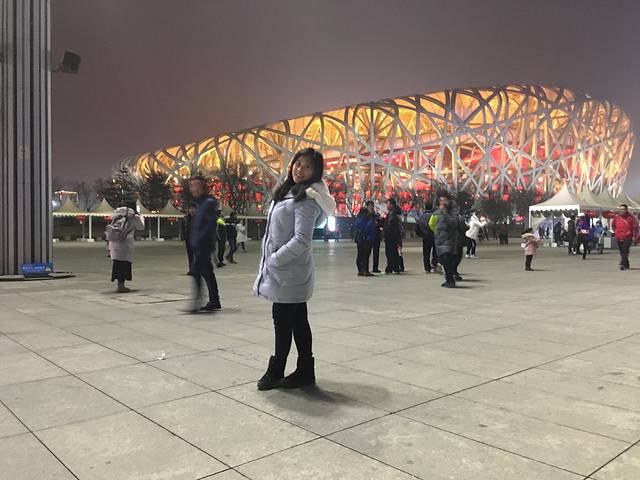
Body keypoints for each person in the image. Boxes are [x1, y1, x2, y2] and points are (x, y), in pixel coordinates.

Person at [254, 148, 336, 390]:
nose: (300, 170)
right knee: (299, 321)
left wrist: (274, 260)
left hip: (288, 273)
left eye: (307, 166)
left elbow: (302, 240)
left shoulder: (306, 199)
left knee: (282, 323)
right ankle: (305, 371)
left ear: (316, 172)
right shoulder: (288, 193)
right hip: (288, 273)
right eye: (298, 164)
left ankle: (276, 370)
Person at [188, 176, 222, 312]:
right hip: (199, 243)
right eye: (191, 185)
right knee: (207, 272)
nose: (192, 188)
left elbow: (210, 224)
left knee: (195, 270)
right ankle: (215, 301)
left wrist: (201, 239)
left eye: (194, 185)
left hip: (204, 243)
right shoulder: (200, 204)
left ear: (201, 186)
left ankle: (197, 301)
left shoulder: (208, 203)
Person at [107, 202, 145, 293]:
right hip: (125, 242)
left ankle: (119, 284)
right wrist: (142, 218)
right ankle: (121, 286)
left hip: (114, 241)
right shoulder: (133, 216)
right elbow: (141, 227)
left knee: (117, 263)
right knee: (124, 264)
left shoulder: (117, 214)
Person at [430, 195, 459, 288]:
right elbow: (432, 223)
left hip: (449, 240)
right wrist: (436, 232)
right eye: (441, 200)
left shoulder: (453, 211)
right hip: (440, 240)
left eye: (445, 200)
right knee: (443, 260)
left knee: (447, 260)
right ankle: (448, 279)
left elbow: (454, 223)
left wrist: (445, 213)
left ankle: (451, 280)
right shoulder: (437, 212)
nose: (442, 202)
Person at [611, 204, 639, 270]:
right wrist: (616, 232)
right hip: (619, 236)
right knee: (622, 251)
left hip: (628, 236)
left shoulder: (631, 218)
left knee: (625, 250)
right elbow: (613, 226)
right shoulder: (616, 218)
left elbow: (635, 227)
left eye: (623, 209)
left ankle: (622, 263)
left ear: (626, 210)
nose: (621, 210)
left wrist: (634, 236)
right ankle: (626, 263)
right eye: (620, 209)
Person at [354, 206, 376, 276]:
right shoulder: (368, 219)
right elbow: (369, 228)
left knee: (359, 255)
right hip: (367, 239)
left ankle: (360, 270)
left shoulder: (357, 219)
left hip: (360, 239)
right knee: (366, 256)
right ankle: (365, 270)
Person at [383, 198, 403, 274]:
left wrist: (386, 233)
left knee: (390, 252)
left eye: (388, 204)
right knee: (394, 252)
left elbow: (389, 226)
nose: (387, 205)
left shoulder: (392, 214)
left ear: (391, 205)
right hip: (396, 236)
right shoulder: (396, 212)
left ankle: (392, 268)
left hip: (391, 236)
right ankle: (394, 268)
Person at [416, 205, 437, 273]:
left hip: (425, 236)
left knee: (426, 253)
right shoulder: (434, 215)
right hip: (434, 235)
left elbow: (417, 226)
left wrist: (421, 234)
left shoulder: (421, 216)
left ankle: (427, 267)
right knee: (435, 251)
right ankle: (434, 264)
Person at [367, 201, 383, 273]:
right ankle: (365, 268)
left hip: (376, 236)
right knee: (367, 253)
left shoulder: (376, 215)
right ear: (367, 207)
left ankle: (375, 267)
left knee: (376, 253)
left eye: (373, 206)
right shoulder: (365, 216)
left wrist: (379, 221)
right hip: (369, 236)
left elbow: (381, 224)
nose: (372, 208)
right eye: (370, 206)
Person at [180, 204, 196, 274]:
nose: (192, 210)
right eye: (190, 208)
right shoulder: (185, 218)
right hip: (188, 240)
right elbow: (182, 229)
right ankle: (191, 270)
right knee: (190, 256)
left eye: (193, 208)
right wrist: (183, 239)